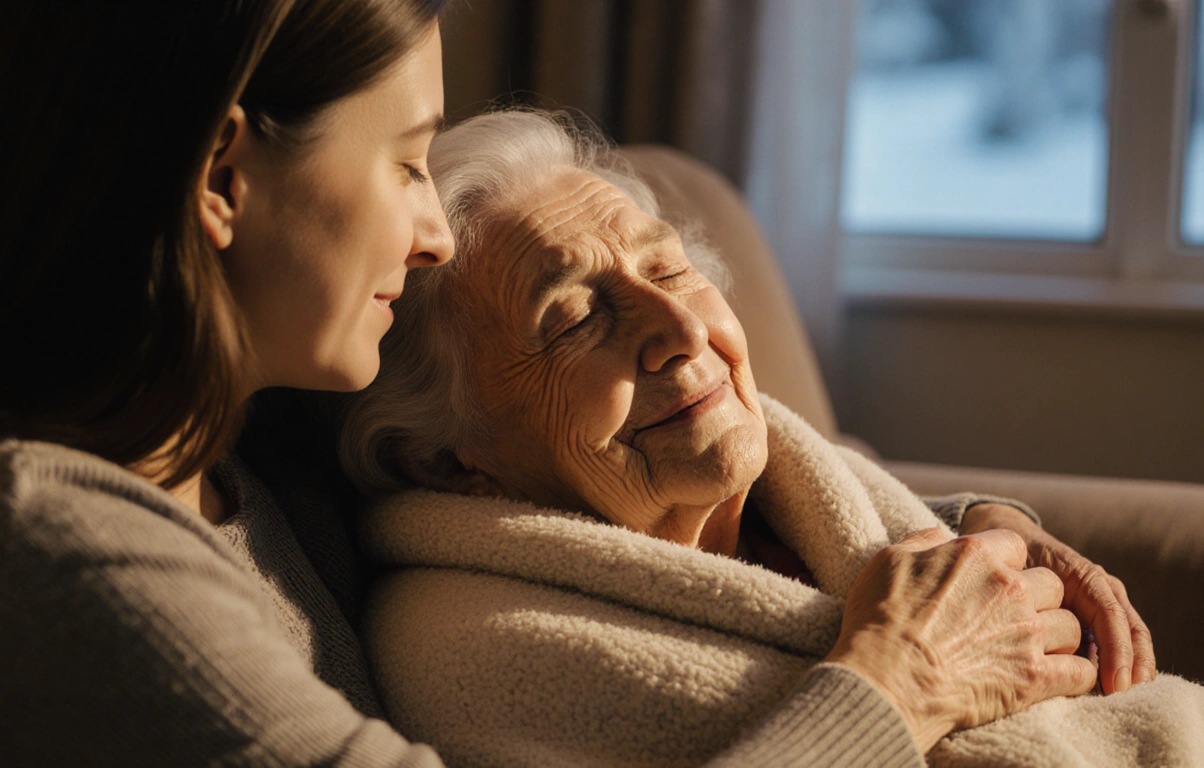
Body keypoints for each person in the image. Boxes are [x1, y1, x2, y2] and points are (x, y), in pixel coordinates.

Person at [337, 110, 1180, 766]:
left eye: (667, 269)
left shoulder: (799, 491)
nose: (679, 328)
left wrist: (990, 519)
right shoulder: (477, 656)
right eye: (576, 316)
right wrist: (905, 678)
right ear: (450, 460)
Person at [0, 1, 458, 764]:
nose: (437, 239)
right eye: (408, 164)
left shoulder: (246, 466)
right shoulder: (35, 559)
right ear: (220, 176)